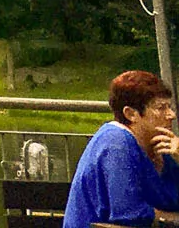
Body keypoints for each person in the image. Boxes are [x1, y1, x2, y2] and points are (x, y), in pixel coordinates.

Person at [65, 71, 179, 228]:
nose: (171, 115)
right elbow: (129, 213)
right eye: (161, 108)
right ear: (131, 114)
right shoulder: (116, 144)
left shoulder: (161, 147)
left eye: (170, 107)